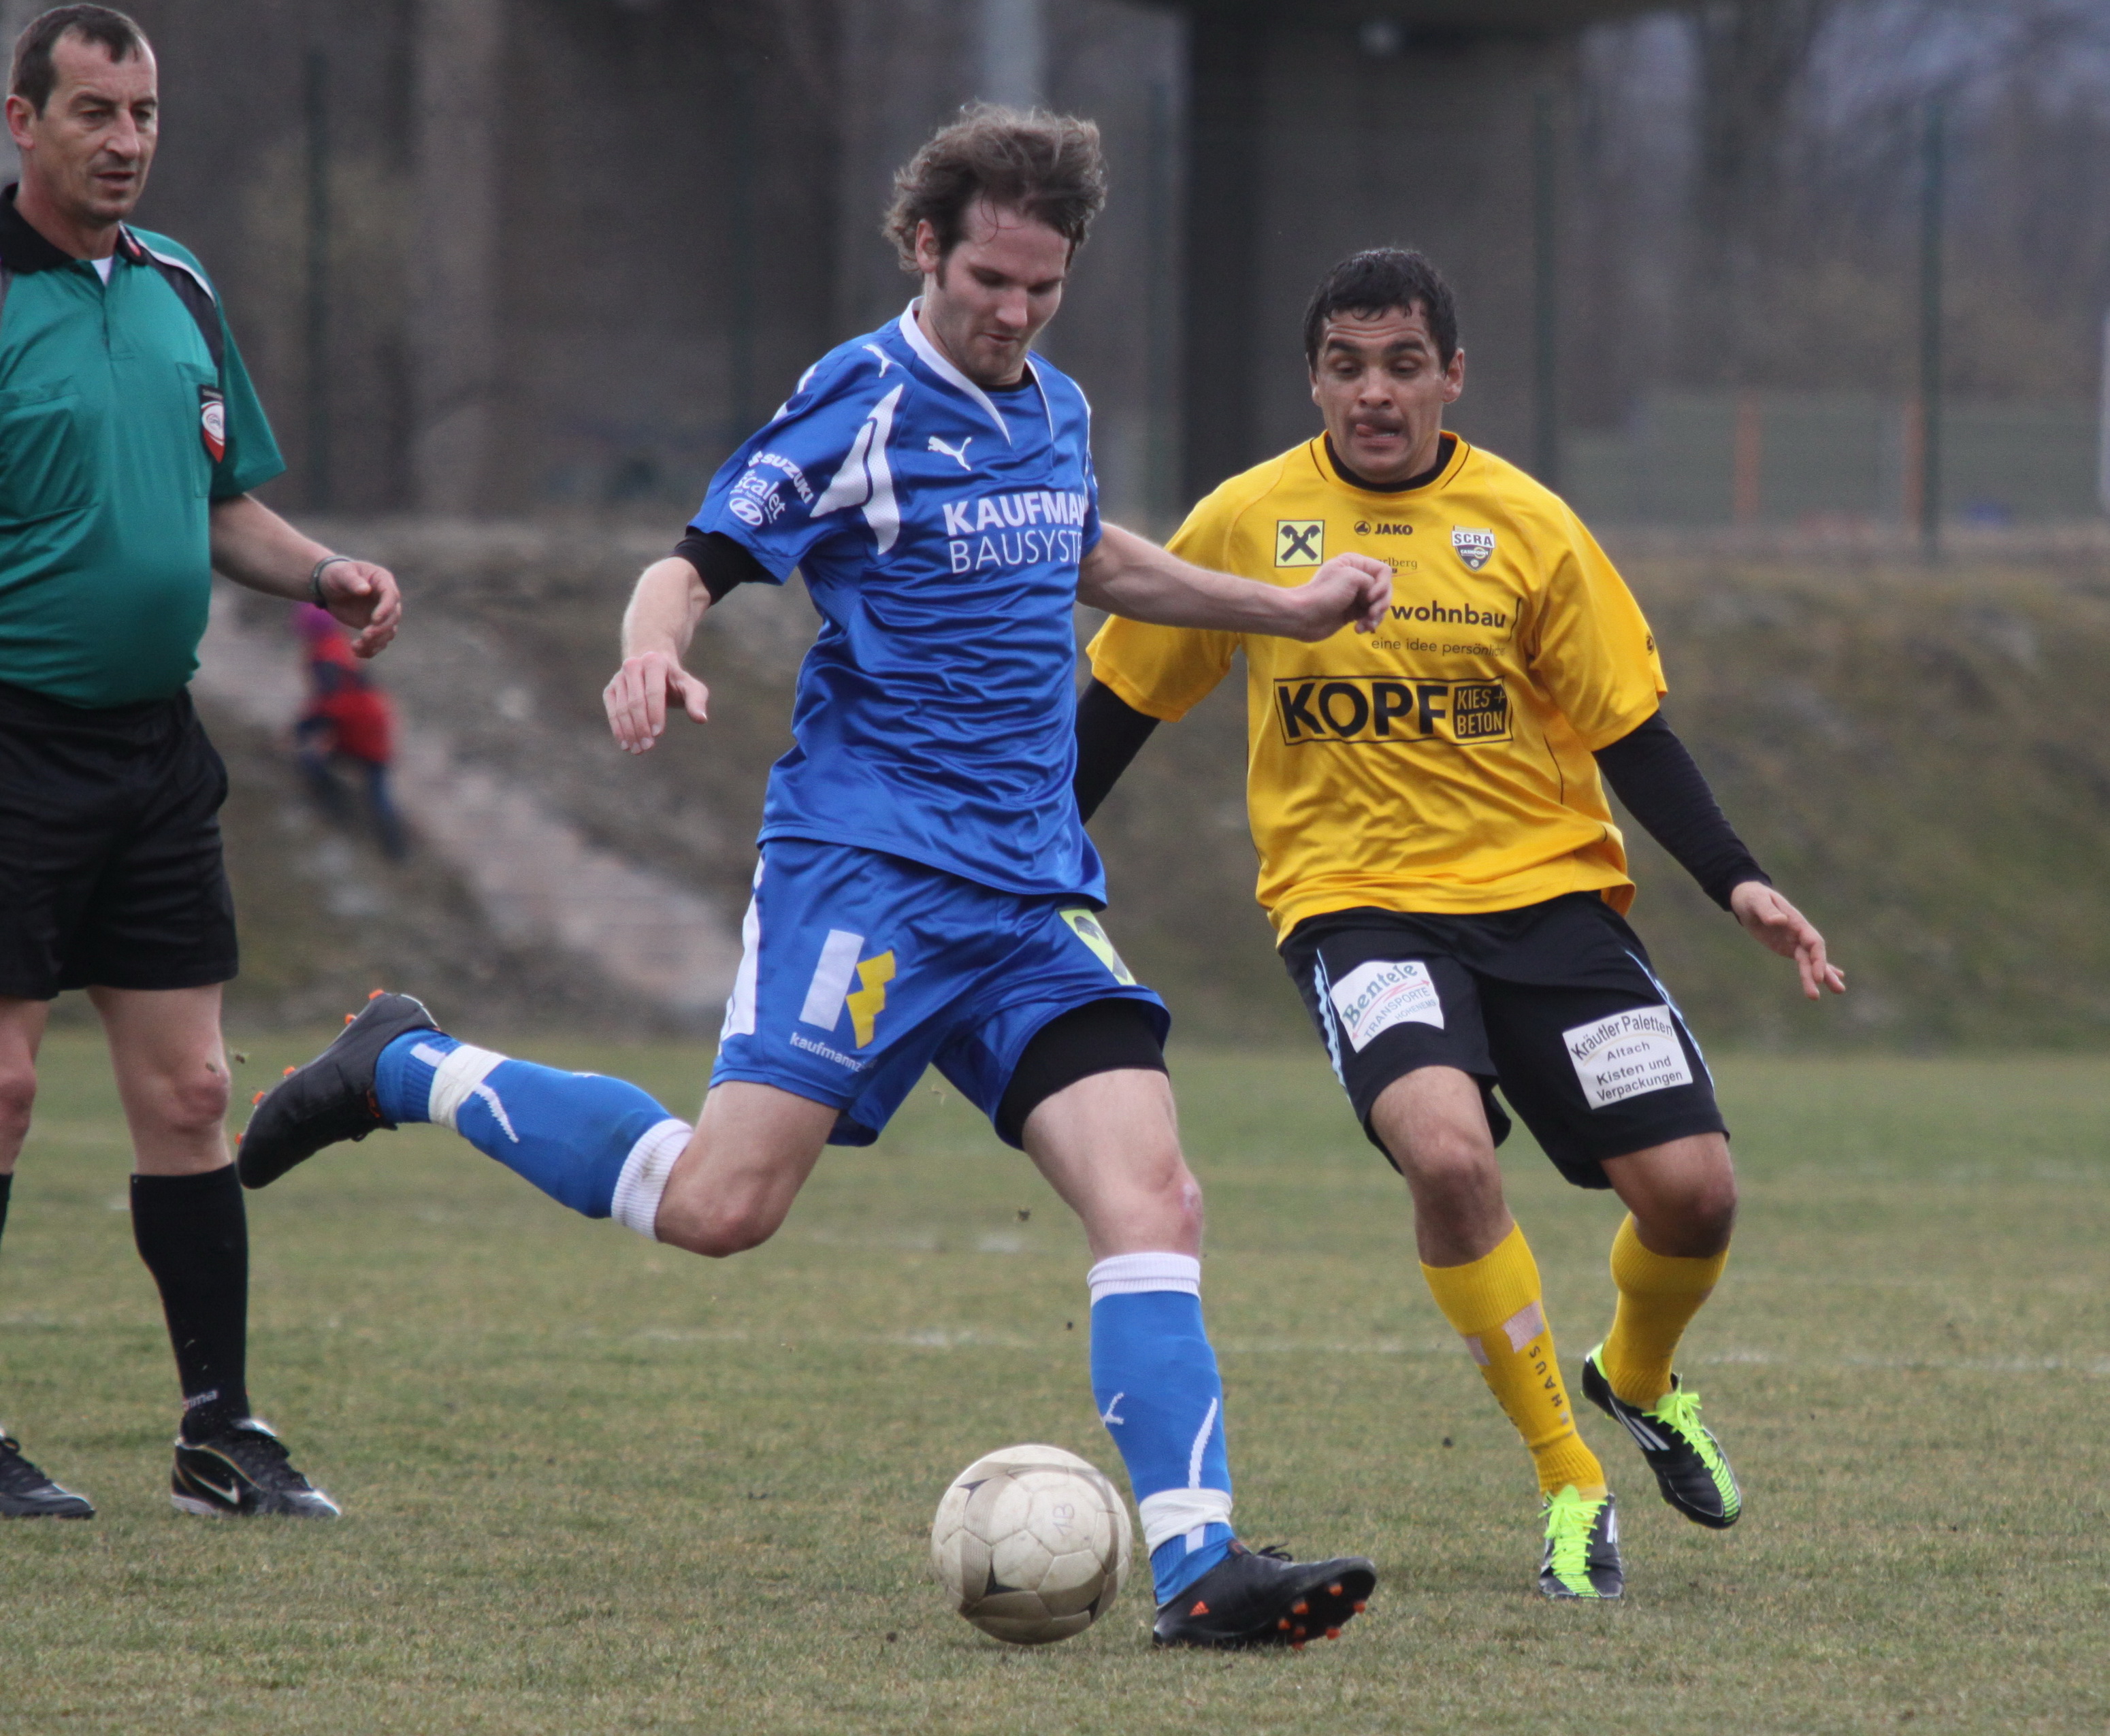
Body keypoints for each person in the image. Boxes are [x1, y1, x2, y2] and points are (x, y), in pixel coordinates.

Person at [242, 108, 1386, 1648]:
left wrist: (1283, 609)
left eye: (1042, 286)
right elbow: (692, 560)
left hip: (1029, 894)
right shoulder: (859, 400)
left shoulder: (1054, 405)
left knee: (1156, 1194)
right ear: (924, 247)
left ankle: (1198, 1570)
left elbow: (1086, 555)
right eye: (988, 278)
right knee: (720, 1206)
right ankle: (407, 1064)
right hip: (869, 875)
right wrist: (650, 653)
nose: (1015, 312)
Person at [1075, 248, 1846, 1600]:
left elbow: (1631, 731)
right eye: (1345, 367)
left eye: (1402, 366)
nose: (1373, 393)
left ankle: (1637, 1376)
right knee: (1444, 1155)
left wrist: (1737, 879)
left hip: (1550, 907)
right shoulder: (1247, 520)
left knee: (1695, 1196)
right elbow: (1118, 712)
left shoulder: (1527, 525)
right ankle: (1570, 1475)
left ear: (1452, 377)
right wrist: (1014, 861)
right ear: (1313, 379)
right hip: (1358, 910)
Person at [0, 6, 401, 1521]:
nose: (126, 142)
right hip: (10, 741)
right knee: (4, 1087)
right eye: (94, 112)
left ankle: (217, 1433)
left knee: (191, 1090)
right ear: (22, 121)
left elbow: (221, 502)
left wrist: (326, 572)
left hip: (152, 748)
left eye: (145, 113)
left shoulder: (178, 285)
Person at [292, 603, 408, 860]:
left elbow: (329, 703)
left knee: (315, 763)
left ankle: (338, 813)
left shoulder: (325, 659)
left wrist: (303, 728)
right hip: (375, 721)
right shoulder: (341, 645)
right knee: (377, 787)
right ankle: (397, 848)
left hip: (358, 729)